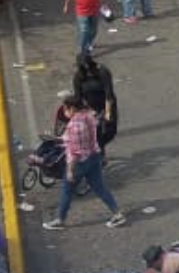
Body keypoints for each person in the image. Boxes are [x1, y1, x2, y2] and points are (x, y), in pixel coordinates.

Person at [42, 95, 127, 230]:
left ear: (73, 108)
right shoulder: (89, 115)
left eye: (66, 108)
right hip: (94, 157)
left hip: (80, 163)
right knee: (100, 188)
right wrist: (60, 138)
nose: (64, 111)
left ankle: (60, 220)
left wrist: (70, 170)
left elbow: (75, 153)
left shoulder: (74, 126)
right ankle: (117, 213)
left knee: (67, 191)